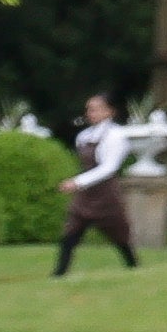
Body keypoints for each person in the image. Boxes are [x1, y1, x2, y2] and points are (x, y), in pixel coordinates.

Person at [59, 93, 151, 275]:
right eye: (89, 109)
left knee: (119, 235)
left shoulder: (116, 135)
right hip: (86, 195)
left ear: (109, 111)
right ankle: (60, 273)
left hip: (106, 195)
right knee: (71, 232)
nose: (91, 113)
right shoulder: (84, 136)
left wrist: (77, 182)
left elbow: (109, 167)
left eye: (96, 109)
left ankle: (133, 266)